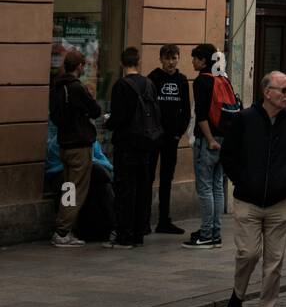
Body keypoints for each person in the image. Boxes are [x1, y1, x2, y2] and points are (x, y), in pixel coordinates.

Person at [220, 71, 286, 307]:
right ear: (267, 92)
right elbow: (228, 155)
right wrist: (241, 180)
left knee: (274, 261)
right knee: (248, 254)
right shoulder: (244, 120)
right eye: (283, 90)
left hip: (279, 204)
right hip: (248, 201)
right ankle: (238, 293)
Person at [106, 47, 163, 249]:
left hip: (126, 145)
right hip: (146, 144)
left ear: (122, 64)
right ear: (138, 62)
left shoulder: (121, 86)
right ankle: (140, 232)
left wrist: (108, 122)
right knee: (142, 189)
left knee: (124, 190)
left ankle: (125, 235)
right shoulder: (149, 84)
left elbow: (118, 118)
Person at [48, 48, 102, 247]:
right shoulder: (77, 88)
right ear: (79, 66)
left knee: (69, 187)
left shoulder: (57, 87)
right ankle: (62, 230)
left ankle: (65, 228)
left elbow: (54, 115)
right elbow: (95, 110)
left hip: (64, 143)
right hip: (79, 145)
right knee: (77, 190)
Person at [183, 43, 226, 249]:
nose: (193, 61)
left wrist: (209, 139)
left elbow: (201, 116)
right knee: (217, 187)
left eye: (195, 58)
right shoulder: (222, 78)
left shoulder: (202, 81)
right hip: (224, 139)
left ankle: (207, 233)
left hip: (208, 140)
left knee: (205, 188)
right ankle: (215, 233)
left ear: (203, 60)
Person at [147, 45, 191, 235]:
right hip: (154, 137)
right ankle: (143, 219)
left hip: (171, 138)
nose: (171, 62)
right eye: (168, 58)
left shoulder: (181, 80)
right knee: (148, 177)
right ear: (161, 59)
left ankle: (164, 220)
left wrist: (178, 133)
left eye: (174, 58)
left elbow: (186, 110)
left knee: (167, 179)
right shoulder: (153, 78)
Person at [45, 122, 114, 244]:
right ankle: (64, 231)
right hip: (62, 175)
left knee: (101, 184)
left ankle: (110, 225)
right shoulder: (61, 141)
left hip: (84, 174)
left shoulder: (90, 140)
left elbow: (102, 160)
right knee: (72, 187)